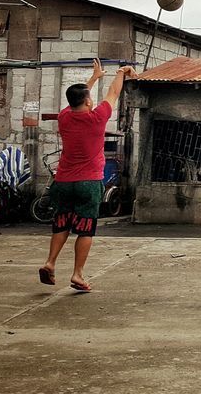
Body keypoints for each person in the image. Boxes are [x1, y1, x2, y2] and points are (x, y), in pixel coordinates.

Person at [39, 59, 134, 292]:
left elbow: (77, 99)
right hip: (88, 182)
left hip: (63, 181)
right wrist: (121, 71)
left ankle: (50, 262)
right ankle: (78, 274)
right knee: (85, 228)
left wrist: (92, 79)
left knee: (61, 223)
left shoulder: (64, 117)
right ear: (89, 101)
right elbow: (113, 91)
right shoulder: (97, 117)